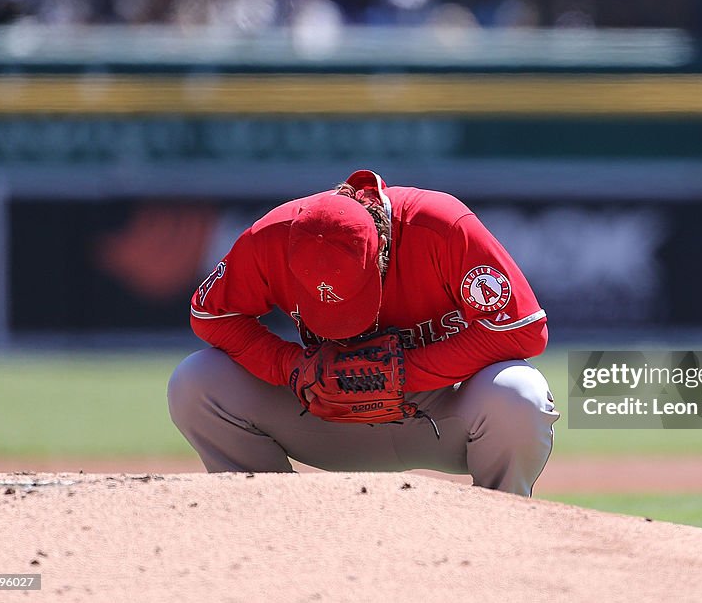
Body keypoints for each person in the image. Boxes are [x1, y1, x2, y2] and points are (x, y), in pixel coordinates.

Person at [167, 169, 558, 496]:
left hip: (439, 413)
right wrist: (289, 366)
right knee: (196, 381)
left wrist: (406, 372)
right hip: (321, 407)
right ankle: (272, 521)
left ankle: (498, 532)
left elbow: (522, 331)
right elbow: (210, 316)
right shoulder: (270, 239)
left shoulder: (439, 225)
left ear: (383, 245)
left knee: (519, 394)